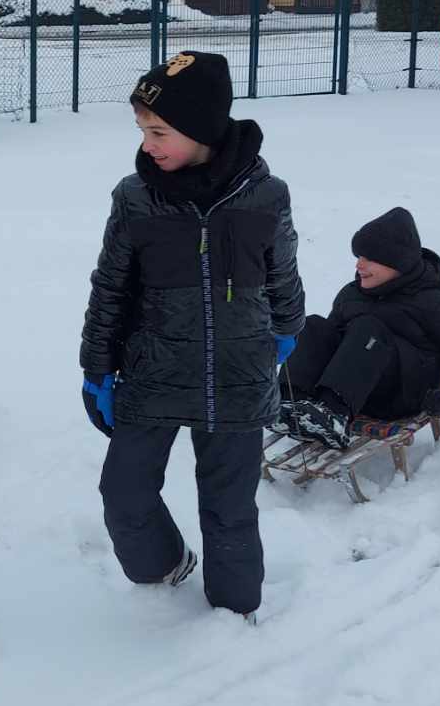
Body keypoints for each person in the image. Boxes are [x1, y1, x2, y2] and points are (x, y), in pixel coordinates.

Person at [79, 50, 305, 618]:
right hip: (152, 370)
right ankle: (162, 565)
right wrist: (96, 366)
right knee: (124, 495)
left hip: (236, 377)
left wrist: (287, 332)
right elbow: (110, 287)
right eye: (141, 130)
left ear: (202, 127)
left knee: (230, 511)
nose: (147, 143)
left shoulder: (265, 195)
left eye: (158, 130)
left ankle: (234, 617)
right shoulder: (136, 197)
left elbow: (283, 272)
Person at [278, 206, 440, 452]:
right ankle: (289, 400)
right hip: (356, 389)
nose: (359, 265)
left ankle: (332, 414)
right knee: (315, 325)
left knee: (367, 329)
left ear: (397, 263)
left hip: (402, 395)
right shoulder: (352, 294)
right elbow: (329, 344)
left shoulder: (433, 303)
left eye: (369, 258)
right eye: (358, 256)